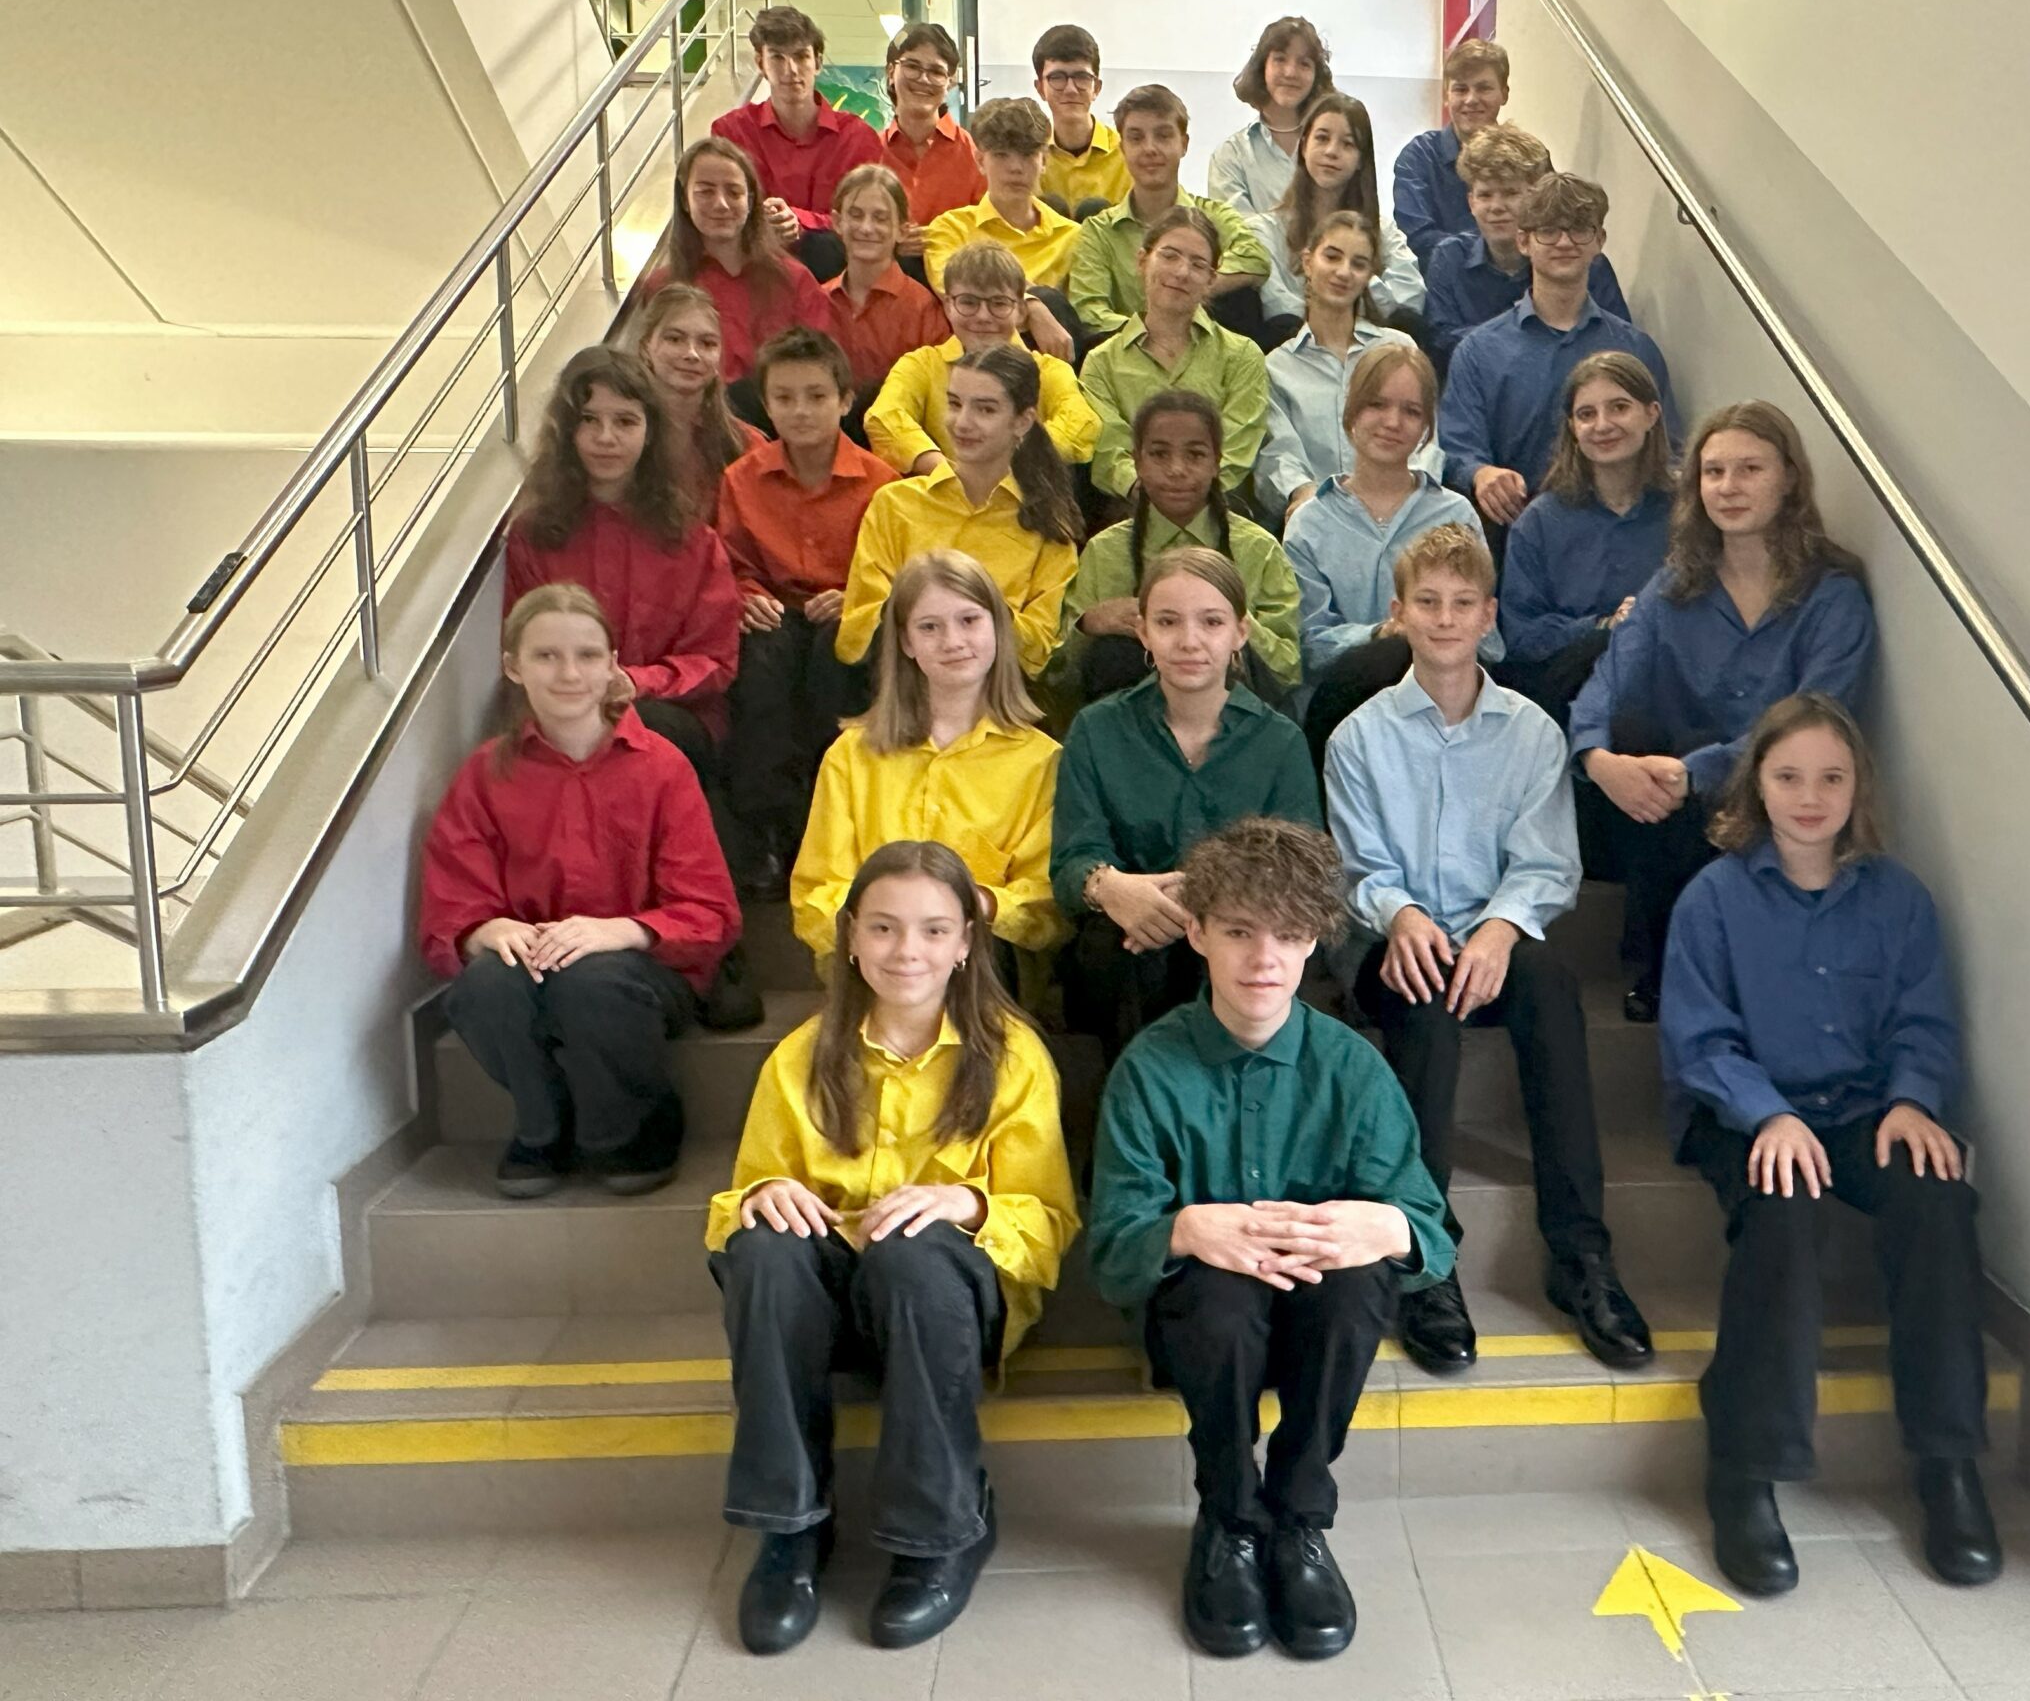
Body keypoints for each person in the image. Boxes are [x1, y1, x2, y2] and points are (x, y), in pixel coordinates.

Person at [1085, 817, 1452, 1662]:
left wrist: (1389, 1224)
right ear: (1197, 933)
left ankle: (1298, 1519)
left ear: (1314, 940)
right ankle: (1229, 1517)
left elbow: (1431, 1230)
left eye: (1288, 935)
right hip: (1203, 1327)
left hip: (1316, 1321)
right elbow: (1112, 1252)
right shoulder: (1148, 1068)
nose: (1264, 959)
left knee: (1359, 1284)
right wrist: (1182, 1228)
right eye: (1240, 932)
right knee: (1216, 1295)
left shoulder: (1353, 1066)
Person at [1660, 694, 2001, 1598]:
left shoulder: (1899, 900)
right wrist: (1768, 1115)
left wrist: (1914, 1099)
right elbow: (1701, 1041)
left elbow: (1923, 1020)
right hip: (1745, 1111)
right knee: (1787, 1209)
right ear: (1757, 786)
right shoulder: (1713, 900)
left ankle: (1948, 1463)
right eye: (1788, 777)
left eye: (1831, 778)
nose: (1810, 798)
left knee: (1938, 1198)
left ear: (1858, 789)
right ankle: (1746, 1469)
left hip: (1861, 1109)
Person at [710, 839, 1078, 1655]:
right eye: (882, 927)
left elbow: (1049, 1221)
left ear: (966, 943)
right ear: (849, 937)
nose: (906, 950)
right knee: (764, 1248)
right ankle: (791, 1528)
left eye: (933, 929)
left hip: (943, 1302)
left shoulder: (1013, 1057)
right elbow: (738, 1201)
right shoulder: (801, 1056)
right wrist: (763, 1198)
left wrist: (967, 1203)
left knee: (914, 1252)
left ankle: (941, 1529)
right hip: (830, 1302)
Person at [1327, 525, 1651, 1374]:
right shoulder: (1358, 737)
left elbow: (1547, 864)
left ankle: (1581, 1254)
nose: (1444, 619)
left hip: (1495, 937)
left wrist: (1501, 930)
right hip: (1395, 941)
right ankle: (1425, 1257)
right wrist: (1403, 917)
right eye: (1427, 602)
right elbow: (1358, 868)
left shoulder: (1532, 733)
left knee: (1551, 987)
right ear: (1398, 613)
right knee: (1424, 1004)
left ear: (1488, 616)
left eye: (1461, 603)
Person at [420, 583, 740, 1197]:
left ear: (613, 664)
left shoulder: (662, 766)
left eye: (588, 655)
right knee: (484, 986)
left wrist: (617, 931)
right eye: (546, 656)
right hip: (533, 961)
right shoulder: (485, 773)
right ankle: (543, 1125)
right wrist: (487, 930)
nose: (569, 673)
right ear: (513, 666)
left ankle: (631, 1129)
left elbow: (711, 912)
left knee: (592, 981)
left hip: (641, 971)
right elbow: (450, 907)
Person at [1570, 401, 1874, 1023]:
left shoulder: (1832, 597)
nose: (1728, 487)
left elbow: (1817, 721)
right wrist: (1597, 757)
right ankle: (1664, 965)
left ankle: (1693, 975)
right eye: (1713, 472)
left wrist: (1697, 772)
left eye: (1749, 469)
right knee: (1636, 743)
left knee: (1693, 775)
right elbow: (1611, 676)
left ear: (1789, 479)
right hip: (1666, 802)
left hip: (1778, 793)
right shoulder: (1675, 584)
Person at [1054, 551, 1320, 1064]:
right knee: (1115, 948)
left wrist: (1203, 898)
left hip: (1239, 926)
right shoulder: (1096, 729)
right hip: (1130, 939)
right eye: (1168, 622)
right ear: (1143, 632)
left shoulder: (1279, 741)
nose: (1189, 641)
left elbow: (1301, 868)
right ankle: (1135, 1101)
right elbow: (1072, 859)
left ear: (1240, 633)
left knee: (1234, 948)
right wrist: (1111, 888)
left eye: (1212, 622)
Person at [794, 550, 1065, 970]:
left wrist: (975, 904)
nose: (952, 641)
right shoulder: (851, 755)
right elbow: (816, 895)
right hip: (874, 968)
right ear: (906, 642)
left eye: (969, 620)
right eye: (929, 627)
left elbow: (1047, 908)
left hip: (981, 966)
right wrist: (892, 924)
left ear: (998, 626)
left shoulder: (1042, 761)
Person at [503, 347, 741, 796]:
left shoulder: (693, 540)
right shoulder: (533, 536)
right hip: (568, 713)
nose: (606, 437)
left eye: (626, 421)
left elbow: (715, 661)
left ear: (650, 433)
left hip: (671, 719)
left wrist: (634, 682)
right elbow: (525, 648)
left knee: (632, 729)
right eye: (588, 420)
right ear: (567, 431)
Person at [718, 327, 899, 897]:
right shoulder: (740, 479)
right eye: (785, 397)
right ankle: (771, 830)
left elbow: (894, 568)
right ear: (766, 405)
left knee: (839, 648)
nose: (801, 411)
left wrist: (857, 595)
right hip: (777, 613)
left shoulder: (882, 483)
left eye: (817, 396)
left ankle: (834, 820)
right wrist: (747, 594)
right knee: (762, 658)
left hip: (844, 612)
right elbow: (732, 562)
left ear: (845, 401)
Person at [1282, 344, 1493, 766]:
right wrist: (1381, 633)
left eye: (1411, 411)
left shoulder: (1455, 514)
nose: (1393, 422)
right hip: (1342, 710)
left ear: (1426, 427)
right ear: (1351, 411)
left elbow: (1488, 637)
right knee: (1390, 653)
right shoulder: (1310, 523)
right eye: (1377, 405)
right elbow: (1306, 646)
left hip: (1442, 707)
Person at [1438, 174, 1676, 532]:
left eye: (1579, 229)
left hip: (1622, 531)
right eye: (1548, 231)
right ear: (1523, 241)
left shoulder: (1635, 349)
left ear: (1600, 241)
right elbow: (1457, 447)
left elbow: (1669, 447)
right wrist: (1481, 473)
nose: (1564, 242)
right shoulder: (1479, 352)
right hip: (1515, 529)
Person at [837, 346, 1083, 676]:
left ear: (1023, 421)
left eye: (985, 409)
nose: (962, 422)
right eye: (954, 404)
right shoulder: (894, 503)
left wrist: (971, 608)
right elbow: (856, 632)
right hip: (898, 677)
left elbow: (1037, 653)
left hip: (993, 684)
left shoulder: (1048, 528)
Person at [1054, 390, 1300, 709]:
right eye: (1159, 454)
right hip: (1126, 722)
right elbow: (1058, 678)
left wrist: (1228, 620)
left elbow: (1287, 672)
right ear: (1137, 461)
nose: (1176, 469)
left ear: (1217, 462)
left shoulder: (1258, 549)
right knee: (1114, 653)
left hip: (1234, 719)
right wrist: (1088, 625)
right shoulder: (1105, 552)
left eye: (1195, 455)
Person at [1497, 351, 1675, 725]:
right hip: (1570, 690)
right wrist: (1604, 626)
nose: (1602, 425)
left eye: (1619, 407)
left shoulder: (1688, 511)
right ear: (1573, 429)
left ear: (1652, 413)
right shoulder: (1539, 522)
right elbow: (1521, 635)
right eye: (1586, 414)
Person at [1258, 212, 1444, 522]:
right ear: (1307, 262)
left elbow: (1426, 437)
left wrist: (1409, 497)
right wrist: (1303, 494)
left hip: (1404, 515)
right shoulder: (1277, 367)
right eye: (1332, 257)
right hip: (1318, 519)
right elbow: (1279, 454)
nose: (1344, 272)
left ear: (1369, 274)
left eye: (1358, 264)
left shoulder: (1399, 348)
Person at [1083, 210, 1272, 506]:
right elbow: (1110, 452)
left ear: (1211, 279)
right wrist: (1152, 493)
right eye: (1169, 256)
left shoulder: (1242, 356)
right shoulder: (1101, 362)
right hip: (1135, 508)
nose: (1182, 272)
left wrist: (1188, 495)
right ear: (1142, 261)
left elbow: (1238, 447)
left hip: (1219, 507)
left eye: (1198, 264)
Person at [863, 242, 1099, 476]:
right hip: (947, 488)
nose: (983, 316)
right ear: (948, 306)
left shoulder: (1049, 370)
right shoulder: (921, 364)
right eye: (968, 302)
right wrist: (948, 472)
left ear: (1020, 310)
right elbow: (883, 417)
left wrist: (1011, 465)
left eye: (999, 303)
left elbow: (1081, 423)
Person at [642, 138, 836, 409]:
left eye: (734, 192)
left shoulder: (794, 280)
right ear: (685, 200)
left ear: (751, 200)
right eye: (705, 192)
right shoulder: (662, 286)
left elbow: (822, 370)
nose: (721, 204)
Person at [1067, 85, 1270, 338]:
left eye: (1163, 136)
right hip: (1127, 353)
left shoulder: (1214, 216)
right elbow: (1089, 310)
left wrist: (1193, 282)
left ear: (1184, 144)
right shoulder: (1098, 231)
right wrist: (1156, 331)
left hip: (1206, 349)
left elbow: (1255, 258)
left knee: (1243, 299)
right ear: (1122, 148)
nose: (1150, 148)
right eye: (1136, 138)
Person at [1421, 124, 1628, 370]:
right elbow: (1440, 342)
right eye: (1485, 195)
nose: (1496, 207)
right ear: (1471, 202)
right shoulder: (1449, 257)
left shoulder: (1580, 259)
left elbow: (1617, 345)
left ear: (1534, 199)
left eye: (1510, 193)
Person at [712, 3, 887, 287]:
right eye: (777, 57)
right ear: (760, 64)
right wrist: (762, 226)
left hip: (838, 281)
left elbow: (869, 222)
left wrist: (800, 221)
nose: (790, 70)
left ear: (817, 62)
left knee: (825, 248)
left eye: (801, 56)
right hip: (756, 277)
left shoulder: (858, 137)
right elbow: (721, 216)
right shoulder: (731, 132)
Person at [1248, 93, 1425, 339]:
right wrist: (1348, 304)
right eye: (1322, 138)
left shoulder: (1382, 231)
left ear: (1361, 159)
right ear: (1303, 146)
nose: (1332, 151)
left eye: (1348, 144)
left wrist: (1355, 292)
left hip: (1370, 349)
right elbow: (1279, 307)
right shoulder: (1264, 230)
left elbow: (1410, 296)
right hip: (1296, 347)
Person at [919, 96, 1084, 307]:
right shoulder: (950, 230)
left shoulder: (1073, 237)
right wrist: (1033, 305)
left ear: (1044, 161)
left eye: (1027, 155)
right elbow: (960, 296)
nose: (1016, 168)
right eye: (1001, 155)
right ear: (980, 161)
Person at [820, 166, 950, 410]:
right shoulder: (817, 300)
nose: (866, 228)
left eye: (880, 218)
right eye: (856, 215)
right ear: (837, 222)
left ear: (902, 230)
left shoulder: (923, 309)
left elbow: (938, 396)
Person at [626, 282, 751, 504]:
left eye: (707, 343)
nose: (692, 354)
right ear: (645, 347)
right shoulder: (617, 439)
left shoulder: (747, 444)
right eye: (675, 339)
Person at [1393, 37, 1509, 270]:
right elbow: (1418, 240)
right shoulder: (1418, 157)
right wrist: (1499, 250)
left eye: (1483, 88)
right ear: (1446, 96)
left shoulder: (1530, 159)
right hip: (1439, 284)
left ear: (1504, 94)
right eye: (1460, 89)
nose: (1471, 99)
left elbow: (1544, 230)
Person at [1205, 16, 1333, 215]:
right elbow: (1237, 231)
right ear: (1262, 67)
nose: (1290, 72)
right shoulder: (1231, 156)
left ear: (1316, 76)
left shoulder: (1335, 149)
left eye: (1304, 63)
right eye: (1280, 59)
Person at [878, 22, 984, 237]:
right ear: (891, 72)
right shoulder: (870, 152)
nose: (923, 79)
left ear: (949, 83)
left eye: (936, 71)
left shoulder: (974, 154)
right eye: (912, 66)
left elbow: (989, 231)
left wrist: (937, 239)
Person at [1031, 22, 1130, 214]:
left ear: (1097, 88)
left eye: (1081, 77)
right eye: (1057, 77)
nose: (1070, 89)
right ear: (1040, 88)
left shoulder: (1128, 154)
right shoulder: (1029, 156)